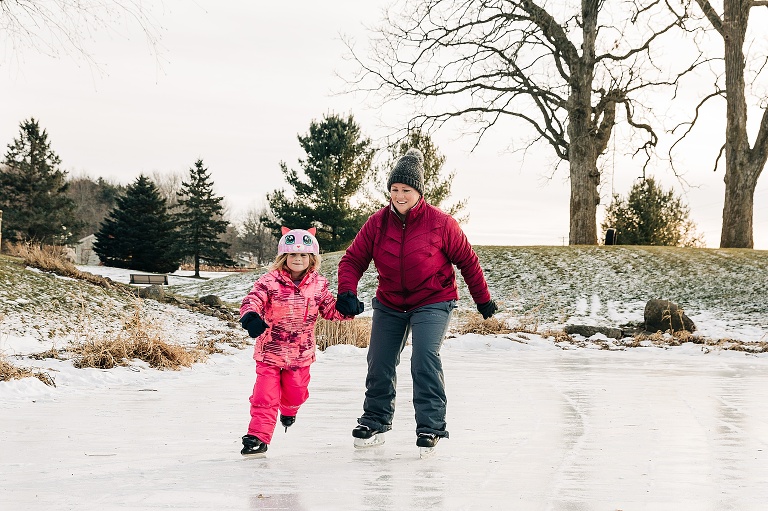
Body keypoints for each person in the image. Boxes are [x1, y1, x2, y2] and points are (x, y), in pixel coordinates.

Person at [335, 147, 497, 454]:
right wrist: (347, 291)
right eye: (394, 189)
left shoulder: (441, 223)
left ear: (419, 191)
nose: (399, 195)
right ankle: (375, 421)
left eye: (405, 190)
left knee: (424, 357)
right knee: (379, 360)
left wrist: (483, 300)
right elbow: (353, 260)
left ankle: (431, 427)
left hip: (433, 300)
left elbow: (468, 260)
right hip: (391, 302)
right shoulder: (377, 223)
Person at [239, 227, 354, 458]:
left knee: (296, 394)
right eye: (292, 255)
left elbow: (329, 310)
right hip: (270, 351)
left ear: (312, 258)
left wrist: (346, 309)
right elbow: (253, 300)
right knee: (265, 396)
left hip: (301, 354)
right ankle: (257, 438)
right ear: (284, 257)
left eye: (302, 255)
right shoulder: (269, 281)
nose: (297, 259)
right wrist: (250, 316)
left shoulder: (318, 284)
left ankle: (289, 410)